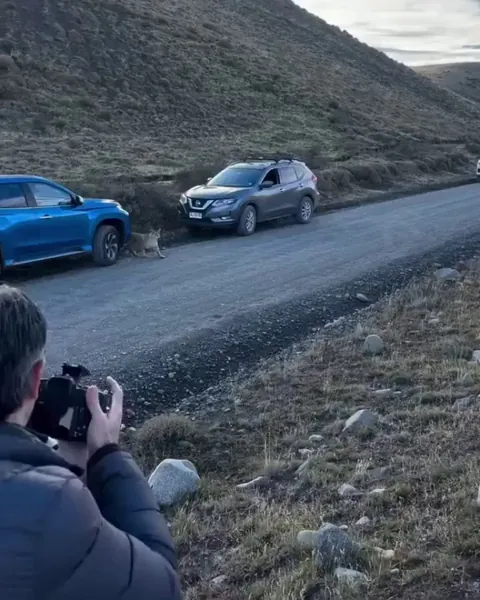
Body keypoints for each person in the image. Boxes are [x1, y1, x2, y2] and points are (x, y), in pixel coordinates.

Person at [0, 284, 182, 600]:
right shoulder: (50, 505)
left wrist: (68, 463)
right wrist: (108, 457)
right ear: (34, 379)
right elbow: (161, 587)